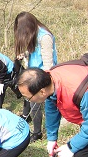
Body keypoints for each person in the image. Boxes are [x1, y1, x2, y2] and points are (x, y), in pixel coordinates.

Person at [14, 12, 58, 143]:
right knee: (32, 103)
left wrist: (38, 81)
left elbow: (48, 64)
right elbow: (35, 51)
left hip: (42, 78)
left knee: (44, 106)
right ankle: (37, 131)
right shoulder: (34, 34)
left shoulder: (44, 37)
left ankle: (43, 133)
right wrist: (25, 54)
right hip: (33, 74)